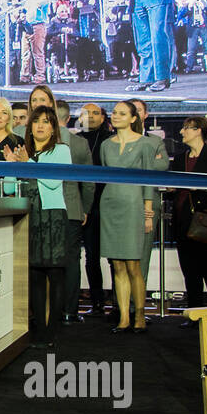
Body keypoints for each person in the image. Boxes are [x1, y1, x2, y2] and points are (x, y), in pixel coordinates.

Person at [4, 106, 70, 348]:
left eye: (46, 121)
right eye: (36, 122)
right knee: (35, 276)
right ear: (29, 126)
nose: (40, 126)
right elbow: (10, 189)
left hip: (52, 216)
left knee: (55, 274)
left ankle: (53, 332)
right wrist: (11, 166)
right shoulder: (24, 152)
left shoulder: (62, 151)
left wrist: (27, 162)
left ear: (53, 127)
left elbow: (53, 183)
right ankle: (39, 331)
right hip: (29, 216)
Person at [99, 101, 167, 332]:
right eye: (114, 113)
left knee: (133, 265)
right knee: (117, 265)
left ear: (133, 118)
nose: (115, 116)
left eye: (121, 113)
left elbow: (148, 178)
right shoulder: (106, 145)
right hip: (110, 205)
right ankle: (124, 318)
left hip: (134, 206)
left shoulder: (145, 144)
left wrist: (148, 212)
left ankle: (139, 314)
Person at [170, 117, 207, 314]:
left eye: (186, 128)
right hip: (182, 220)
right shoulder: (180, 158)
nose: (181, 132)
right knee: (189, 271)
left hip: (205, 220)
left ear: (198, 131)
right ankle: (194, 313)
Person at [55, 100, 94, 323]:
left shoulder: (41, 140)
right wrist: (85, 208)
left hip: (46, 206)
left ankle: (52, 309)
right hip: (72, 207)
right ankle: (70, 310)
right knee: (71, 260)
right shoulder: (80, 144)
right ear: (68, 118)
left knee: (49, 259)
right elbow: (88, 182)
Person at [79, 102, 113, 317]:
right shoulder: (75, 141)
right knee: (91, 257)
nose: (90, 116)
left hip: (108, 204)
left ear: (103, 117)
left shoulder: (110, 141)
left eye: (95, 113)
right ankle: (97, 300)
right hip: (86, 206)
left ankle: (119, 304)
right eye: (85, 113)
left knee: (114, 256)